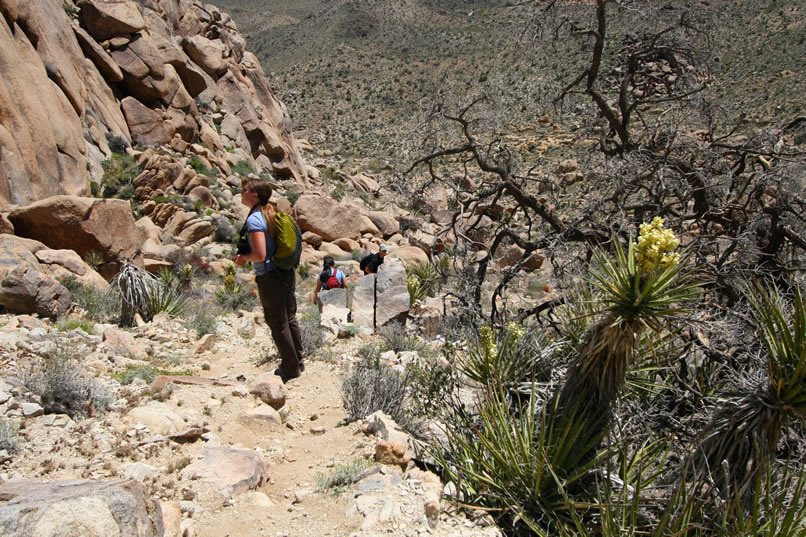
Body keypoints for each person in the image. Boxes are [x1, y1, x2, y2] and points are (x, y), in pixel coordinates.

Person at [233, 178, 304, 382]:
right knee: (289, 318)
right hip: (285, 272)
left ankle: (290, 369)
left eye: (244, 190)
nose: (241, 193)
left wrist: (243, 258)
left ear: (254, 194)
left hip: (270, 275)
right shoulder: (271, 214)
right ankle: (298, 360)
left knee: (277, 322)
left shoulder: (255, 219)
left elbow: (260, 254)